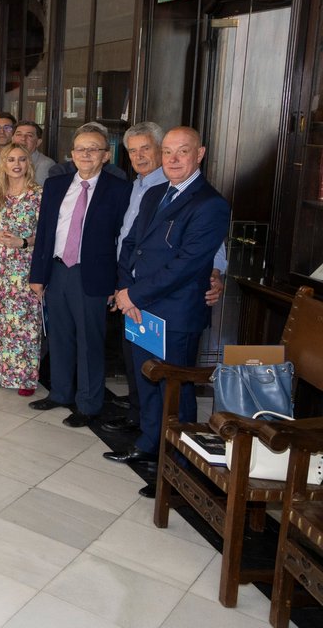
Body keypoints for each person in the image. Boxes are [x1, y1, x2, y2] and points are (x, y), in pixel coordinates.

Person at [107, 127, 230, 492]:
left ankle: (177, 466)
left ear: (200, 154)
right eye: (169, 153)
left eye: (183, 152)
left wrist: (134, 294)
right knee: (147, 381)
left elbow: (188, 264)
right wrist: (123, 290)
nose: (174, 160)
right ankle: (148, 445)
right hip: (138, 307)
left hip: (173, 314)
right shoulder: (154, 193)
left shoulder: (210, 203)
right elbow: (131, 244)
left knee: (175, 391)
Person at [28, 123, 131, 426]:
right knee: (59, 337)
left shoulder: (119, 191)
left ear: (105, 155)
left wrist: (117, 283)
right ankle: (60, 393)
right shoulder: (56, 186)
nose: (86, 154)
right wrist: (38, 274)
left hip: (93, 276)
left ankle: (88, 403)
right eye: (81, 149)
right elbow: (45, 232)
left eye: (94, 149)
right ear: (71, 154)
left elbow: (123, 240)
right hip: (58, 271)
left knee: (89, 342)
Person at [0, 144, 42, 396]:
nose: (16, 164)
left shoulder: (38, 194)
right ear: (2, 164)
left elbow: (45, 234)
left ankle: (24, 378)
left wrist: (22, 242)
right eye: (11, 159)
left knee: (23, 323)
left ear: (29, 163)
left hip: (24, 266)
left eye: (22, 159)